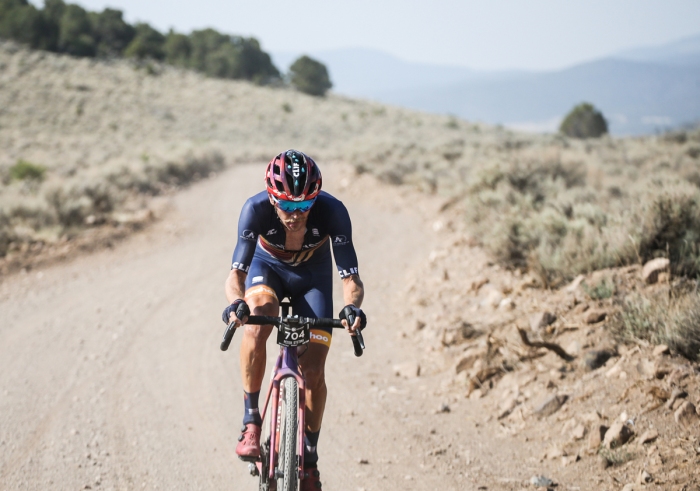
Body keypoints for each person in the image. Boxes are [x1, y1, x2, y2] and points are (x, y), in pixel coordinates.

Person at [222, 149, 366, 490]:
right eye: (287, 206)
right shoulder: (254, 210)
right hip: (266, 267)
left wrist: (352, 308)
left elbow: (350, 279)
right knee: (258, 321)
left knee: (315, 369)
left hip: (312, 276)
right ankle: (251, 422)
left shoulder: (333, 211)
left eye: (304, 206)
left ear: (315, 199)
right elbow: (235, 276)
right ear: (272, 199)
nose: (295, 215)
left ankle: (311, 459)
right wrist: (235, 303)